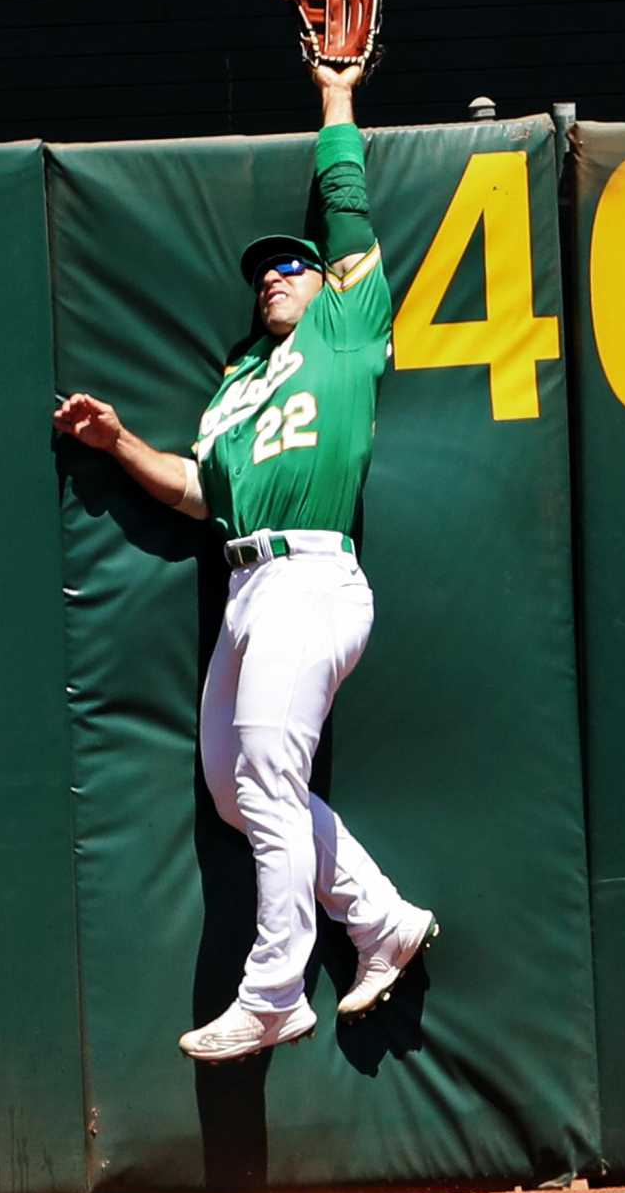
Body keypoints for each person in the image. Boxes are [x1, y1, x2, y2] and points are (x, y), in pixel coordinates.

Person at [52, 60, 437, 1064]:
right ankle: (382, 919)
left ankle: (273, 991)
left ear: (325, 286)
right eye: (264, 269)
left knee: (266, 769)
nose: (274, 275)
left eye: (292, 266)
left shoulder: (348, 329)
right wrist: (119, 444)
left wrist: (337, 99)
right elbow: (200, 495)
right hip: (245, 581)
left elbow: (345, 209)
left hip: (313, 576)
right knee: (235, 786)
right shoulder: (234, 383)